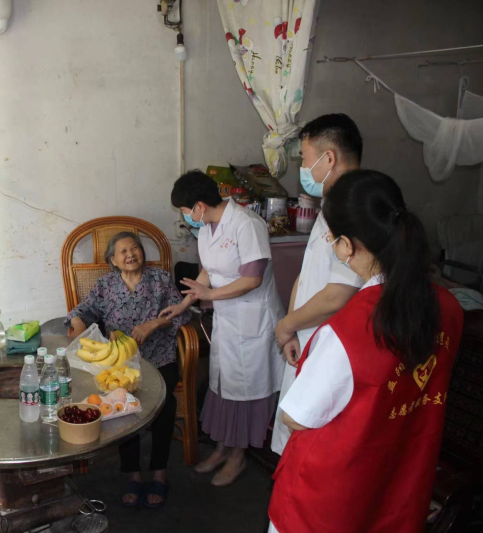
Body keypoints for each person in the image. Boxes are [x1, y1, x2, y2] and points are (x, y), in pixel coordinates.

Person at [268, 170, 463, 533]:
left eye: (332, 236)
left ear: (346, 245)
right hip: (399, 479)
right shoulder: (448, 307)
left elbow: (296, 416)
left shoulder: (348, 331)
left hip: (333, 499)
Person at [161, 171, 284, 486]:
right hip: (228, 321)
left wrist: (210, 296)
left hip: (253, 321)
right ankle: (221, 449)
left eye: (185, 210)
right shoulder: (206, 230)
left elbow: (252, 279)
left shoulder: (247, 224)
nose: (185, 216)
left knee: (246, 392)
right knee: (225, 387)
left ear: (199, 205)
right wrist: (183, 304)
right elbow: (208, 273)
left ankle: (238, 457)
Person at [66, 232, 189, 508]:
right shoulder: (106, 285)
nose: (130, 254)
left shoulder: (160, 280)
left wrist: (154, 324)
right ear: (113, 260)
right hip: (120, 363)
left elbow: (181, 313)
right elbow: (82, 311)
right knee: (122, 404)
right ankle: (133, 473)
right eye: (123, 251)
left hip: (159, 357)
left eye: (135, 248)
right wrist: (77, 323)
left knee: (165, 403)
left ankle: (160, 472)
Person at [270, 114, 364, 455]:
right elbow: (307, 272)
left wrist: (285, 326)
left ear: (329, 158)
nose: (303, 168)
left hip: (330, 346)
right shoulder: (330, 207)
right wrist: (292, 328)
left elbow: (339, 294)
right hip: (306, 337)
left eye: (304, 158)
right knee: (294, 440)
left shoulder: (356, 210)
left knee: (311, 443)